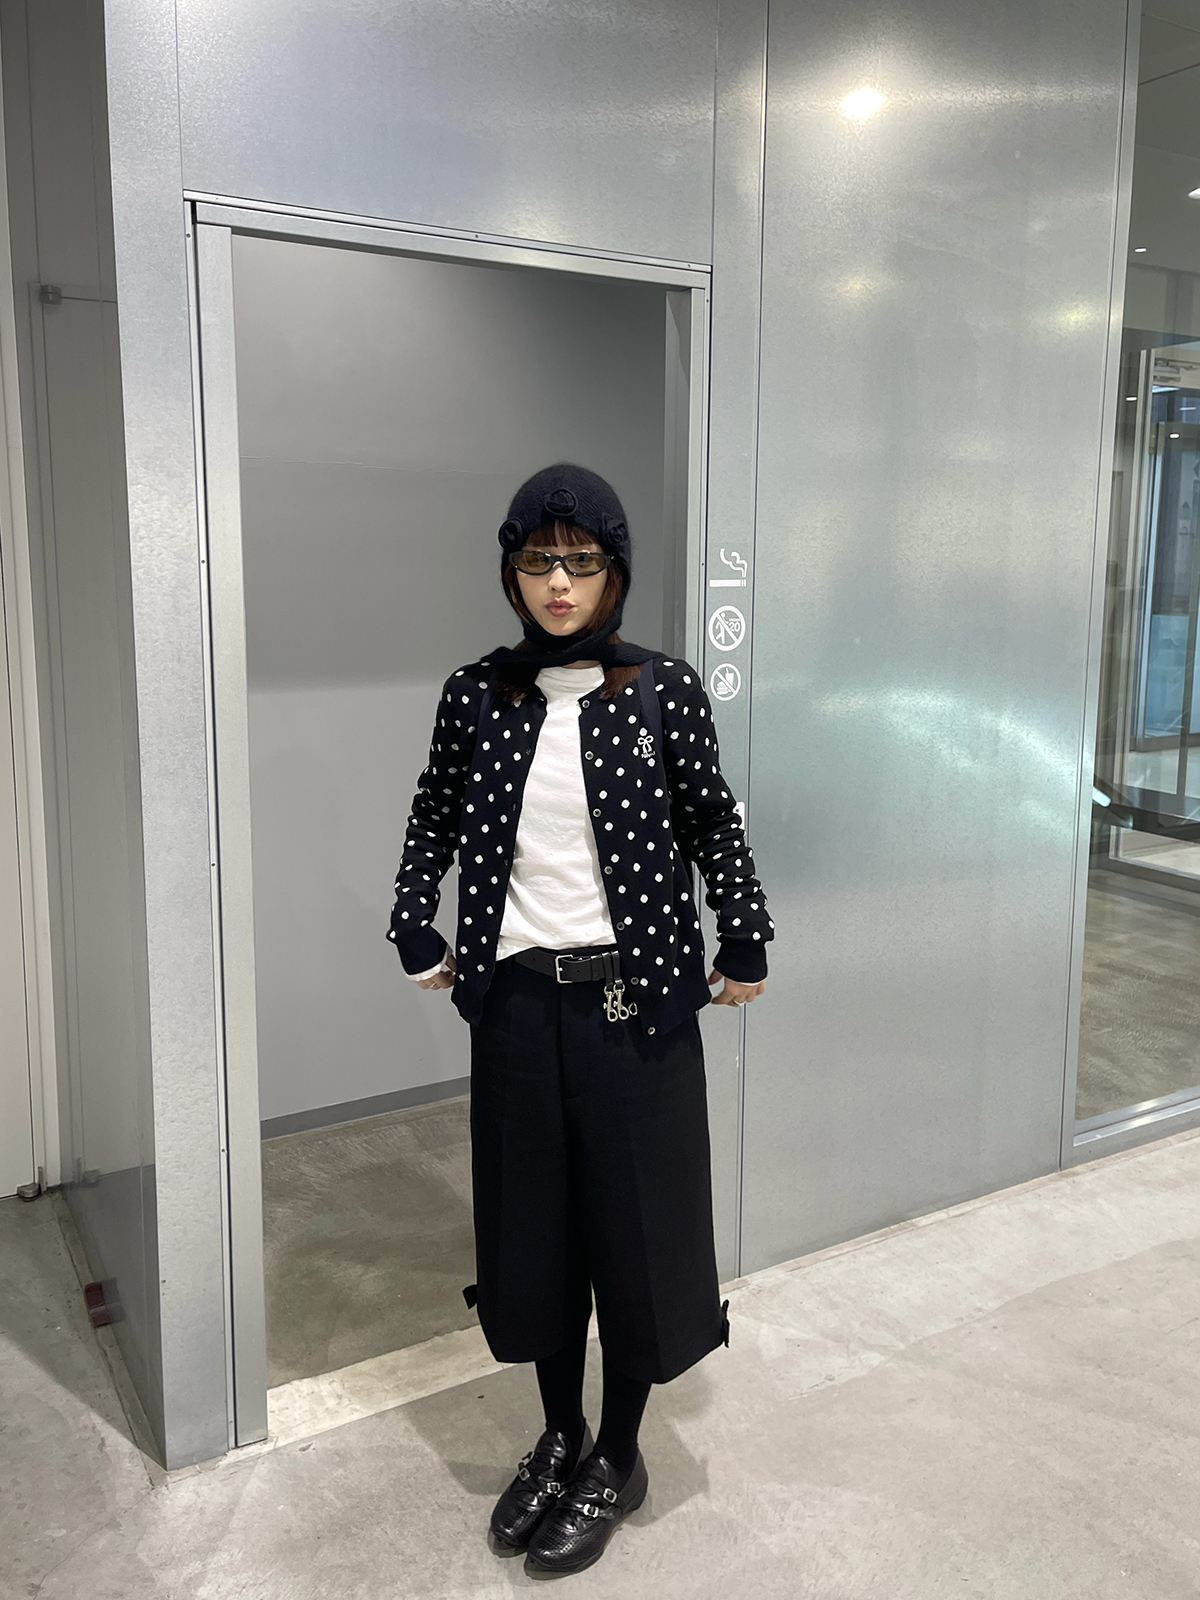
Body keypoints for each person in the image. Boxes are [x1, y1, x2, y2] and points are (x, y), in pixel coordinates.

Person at [388, 464, 773, 1576]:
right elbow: (435, 811)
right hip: (516, 1004)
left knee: (636, 1235)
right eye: (538, 560)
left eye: (581, 561)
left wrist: (744, 931)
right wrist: (413, 918)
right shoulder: (478, 692)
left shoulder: (662, 689)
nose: (559, 582)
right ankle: (557, 1434)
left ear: (614, 572)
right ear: (511, 571)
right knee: (533, 1235)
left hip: (633, 1007)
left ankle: (618, 1451)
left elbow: (711, 818)